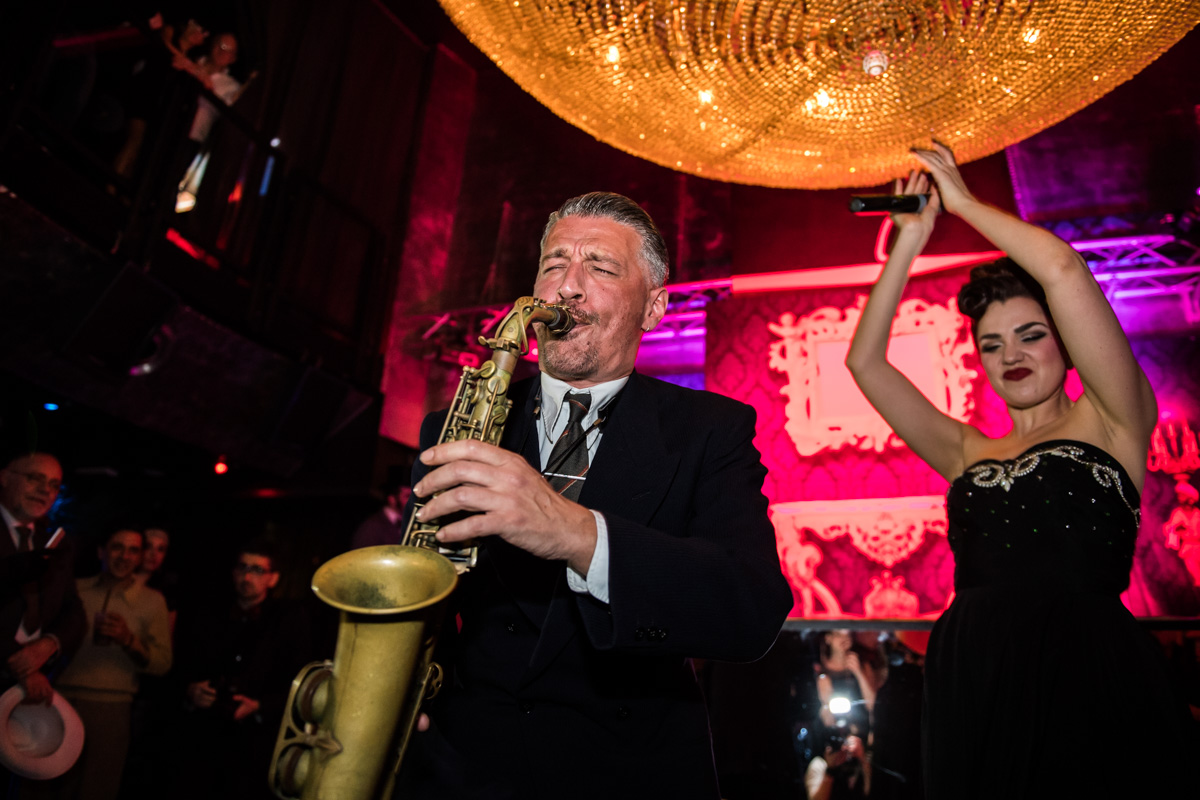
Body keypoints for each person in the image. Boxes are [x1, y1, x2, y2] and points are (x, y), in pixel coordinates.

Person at [403, 192, 793, 799]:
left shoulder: (713, 430)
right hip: (465, 770)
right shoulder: (451, 425)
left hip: (630, 774)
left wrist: (575, 533)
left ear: (654, 307)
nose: (567, 287)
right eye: (554, 264)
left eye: (601, 267)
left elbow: (750, 609)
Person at [844, 142, 1191, 797]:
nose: (1012, 355)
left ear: (1067, 340)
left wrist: (964, 204)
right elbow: (865, 363)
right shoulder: (965, 451)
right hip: (973, 675)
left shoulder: (1112, 418)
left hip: (1085, 669)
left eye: (1031, 334)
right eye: (992, 344)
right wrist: (908, 243)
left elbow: (1062, 268)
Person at [26, 529, 171, 800]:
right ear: (101, 551)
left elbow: (162, 664)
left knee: (96, 788)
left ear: (140, 557)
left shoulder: (152, 601)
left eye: (133, 550)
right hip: (58, 701)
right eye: (117, 547)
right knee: (41, 785)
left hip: (111, 709)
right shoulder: (75, 589)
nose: (124, 556)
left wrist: (129, 640)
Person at [173, 540, 310, 800]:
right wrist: (191, 690)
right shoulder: (208, 613)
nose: (247, 577)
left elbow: (298, 680)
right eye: (242, 568)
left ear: (273, 578)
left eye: (257, 570)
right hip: (202, 737)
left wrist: (259, 705)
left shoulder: (288, 621)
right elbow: (180, 665)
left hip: (254, 745)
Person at [0, 452, 85, 706]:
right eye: (35, 478)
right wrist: (20, 663)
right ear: (4, 477)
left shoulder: (56, 544)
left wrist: (49, 644)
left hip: (35, 689)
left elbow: (74, 611)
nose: (45, 490)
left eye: (53, 485)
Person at [349, 467, 412, 550]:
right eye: (407, 496)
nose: (412, 500)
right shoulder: (372, 527)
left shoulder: (407, 520)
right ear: (392, 499)